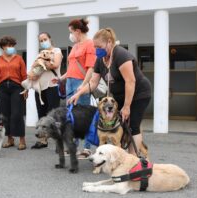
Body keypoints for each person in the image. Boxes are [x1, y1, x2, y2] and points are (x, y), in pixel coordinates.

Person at [68, 28, 152, 156]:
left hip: (138, 93)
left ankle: (132, 160)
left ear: (109, 42)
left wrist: (127, 106)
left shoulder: (121, 55)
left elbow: (130, 82)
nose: (97, 50)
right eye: (95, 47)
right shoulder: (100, 60)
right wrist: (78, 93)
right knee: (124, 125)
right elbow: (93, 83)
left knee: (132, 125)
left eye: (99, 46)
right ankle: (124, 155)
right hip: (120, 95)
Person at [54, 18, 96, 158]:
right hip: (70, 82)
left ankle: (87, 149)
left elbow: (90, 68)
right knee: (72, 116)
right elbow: (72, 67)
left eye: (71, 32)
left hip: (80, 83)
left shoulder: (90, 44)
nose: (70, 35)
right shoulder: (76, 46)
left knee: (84, 116)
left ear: (77, 31)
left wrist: (84, 85)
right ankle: (74, 146)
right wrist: (61, 78)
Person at [0, 36, 28, 150]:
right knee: (4, 115)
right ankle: (10, 139)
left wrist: (26, 89)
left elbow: (24, 76)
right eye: (8, 45)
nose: (11, 47)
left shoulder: (19, 59)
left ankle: (22, 140)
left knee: (17, 113)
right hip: (1, 88)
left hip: (17, 87)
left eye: (12, 45)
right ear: (3, 47)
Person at [30, 32, 63, 149]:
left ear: (50, 39)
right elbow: (33, 67)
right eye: (41, 40)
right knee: (41, 115)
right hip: (39, 89)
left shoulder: (57, 51)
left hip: (52, 87)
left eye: (45, 39)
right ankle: (42, 140)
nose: (43, 42)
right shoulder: (39, 54)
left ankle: (58, 142)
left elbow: (55, 65)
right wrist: (43, 63)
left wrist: (42, 62)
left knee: (53, 116)